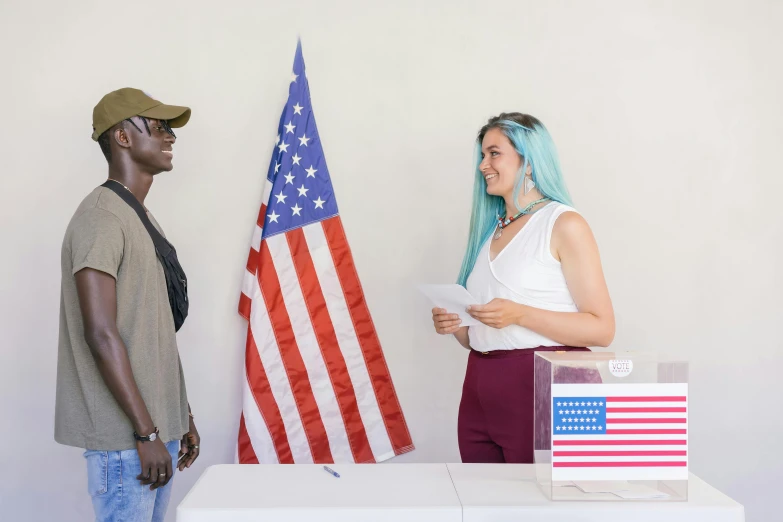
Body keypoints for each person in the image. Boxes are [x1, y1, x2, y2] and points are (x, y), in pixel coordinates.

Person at [431, 112, 615, 463]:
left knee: (547, 510)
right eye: (482, 155)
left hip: (545, 384)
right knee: (486, 504)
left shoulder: (563, 224)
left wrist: (520, 314)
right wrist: (457, 326)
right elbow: (486, 336)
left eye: (494, 153)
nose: (483, 164)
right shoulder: (489, 233)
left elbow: (602, 328)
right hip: (482, 385)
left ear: (528, 162)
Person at [55, 88, 200, 522]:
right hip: (128, 443)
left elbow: (149, 330)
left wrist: (180, 415)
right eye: (159, 127)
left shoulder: (139, 216)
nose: (170, 137)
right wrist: (147, 432)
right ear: (122, 137)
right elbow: (100, 333)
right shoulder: (101, 217)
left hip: (152, 433)